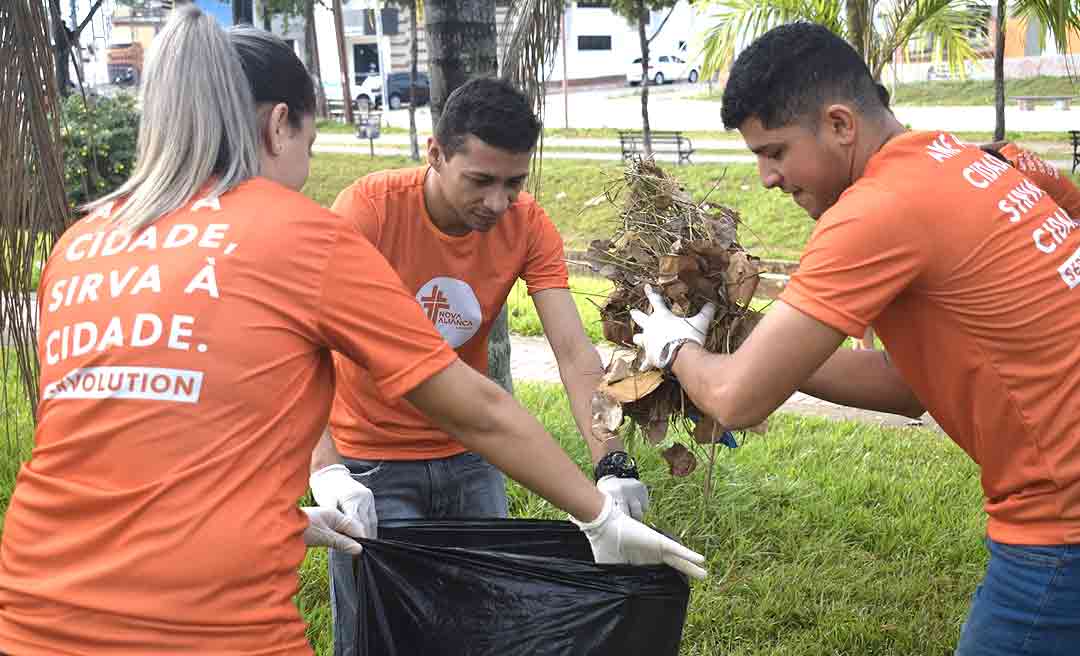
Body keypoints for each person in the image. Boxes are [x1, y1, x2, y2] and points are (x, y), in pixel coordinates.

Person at [0, 8, 704, 655]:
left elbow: (137, 437)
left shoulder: (83, 243)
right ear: (281, 124)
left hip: (31, 607)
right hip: (207, 622)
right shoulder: (301, 232)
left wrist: (290, 518)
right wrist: (597, 517)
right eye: (307, 138)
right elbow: (476, 407)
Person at [629, 23, 1080, 656]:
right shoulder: (960, 160)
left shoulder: (876, 210)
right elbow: (906, 388)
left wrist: (675, 347)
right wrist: (755, 344)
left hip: (1061, 520)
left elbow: (734, 401)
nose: (766, 177)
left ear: (841, 124)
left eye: (776, 151)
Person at [309, 76, 651, 655]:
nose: (498, 202)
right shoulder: (369, 211)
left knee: (483, 627)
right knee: (376, 633)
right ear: (435, 154)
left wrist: (611, 462)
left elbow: (573, 352)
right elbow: (306, 344)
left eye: (514, 182)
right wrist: (326, 467)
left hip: (473, 459)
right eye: (481, 180)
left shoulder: (527, 223)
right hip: (369, 464)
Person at [980, 140, 1080, 219]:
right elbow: (1005, 143)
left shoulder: (1026, 183)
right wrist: (975, 149)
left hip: (1073, 217)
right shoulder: (1012, 154)